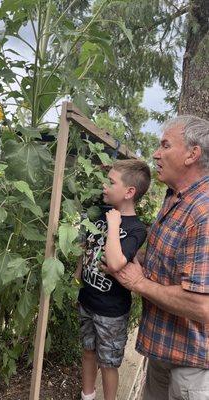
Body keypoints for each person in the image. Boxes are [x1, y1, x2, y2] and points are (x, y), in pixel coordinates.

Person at [108, 115, 209, 400]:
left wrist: (139, 283)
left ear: (192, 154)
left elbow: (202, 306)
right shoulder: (176, 197)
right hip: (166, 349)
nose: (156, 153)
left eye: (165, 145)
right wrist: (133, 252)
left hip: (191, 365)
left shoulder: (203, 213)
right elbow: (175, 257)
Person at [75, 159, 151, 400]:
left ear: (129, 192)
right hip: (87, 299)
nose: (105, 187)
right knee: (88, 351)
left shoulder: (136, 229)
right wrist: (77, 279)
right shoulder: (100, 214)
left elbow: (116, 263)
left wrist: (114, 224)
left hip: (111, 311)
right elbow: (86, 247)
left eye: (111, 183)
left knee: (108, 363)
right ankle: (87, 395)